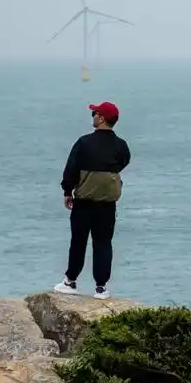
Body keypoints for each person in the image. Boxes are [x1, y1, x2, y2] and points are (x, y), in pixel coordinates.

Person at [54, 101, 131, 299]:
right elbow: (124, 162)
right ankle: (101, 288)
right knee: (103, 243)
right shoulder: (121, 145)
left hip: (84, 203)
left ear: (102, 118)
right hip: (107, 205)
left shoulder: (83, 143)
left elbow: (71, 169)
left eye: (95, 113)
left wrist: (67, 191)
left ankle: (70, 282)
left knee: (78, 242)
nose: (93, 116)